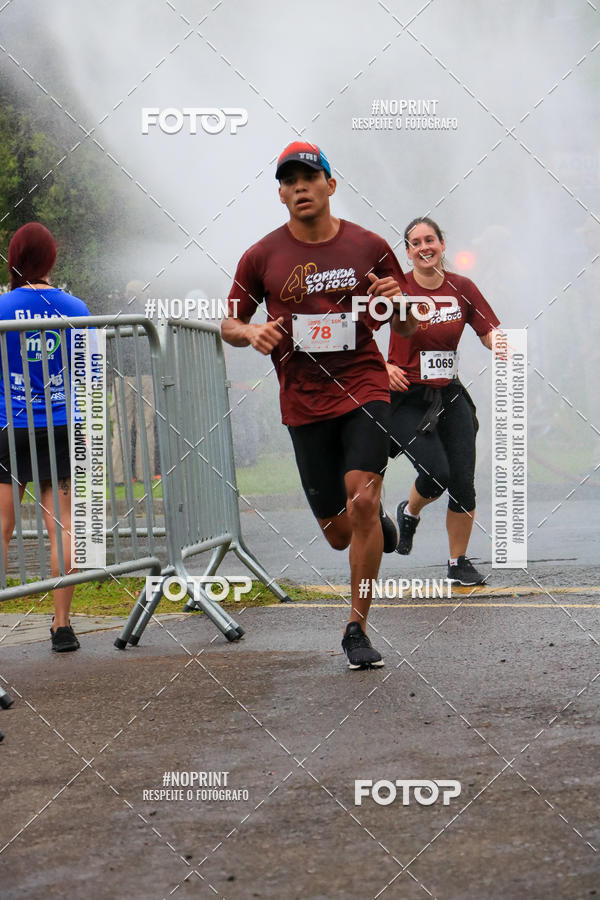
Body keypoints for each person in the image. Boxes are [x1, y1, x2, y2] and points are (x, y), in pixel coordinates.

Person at [222, 141, 414, 669]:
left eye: (309, 176)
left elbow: (404, 326)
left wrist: (399, 306)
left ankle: (357, 628)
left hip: (363, 386)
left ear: (330, 184)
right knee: (338, 533)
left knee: (363, 502)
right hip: (304, 402)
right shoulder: (261, 256)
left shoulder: (369, 246)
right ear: (281, 194)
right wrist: (251, 332)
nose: (300, 186)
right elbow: (229, 323)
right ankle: (375, 523)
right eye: (289, 180)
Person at [387, 216, 500, 586]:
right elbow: (357, 334)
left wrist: (502, 344)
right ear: (408, 252)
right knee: (437, 475)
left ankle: (457, 563)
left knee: (463, 482)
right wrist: (383, 366)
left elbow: (488, 330)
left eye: (430, 240)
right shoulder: (397, 289)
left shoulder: (461, 287)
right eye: (416, 243)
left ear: (442, 244)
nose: (424, 247)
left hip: (448, 394)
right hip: (406, 398)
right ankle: (410, 511)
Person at [0, 222, 90, 651]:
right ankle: (62, 625)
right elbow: (87, 370)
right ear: (51, 258)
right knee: (62, 526)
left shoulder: (2, 306)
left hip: (9, 426)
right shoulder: (75, 307)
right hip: (60, 424)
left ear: (14, 258)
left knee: (2, 526)